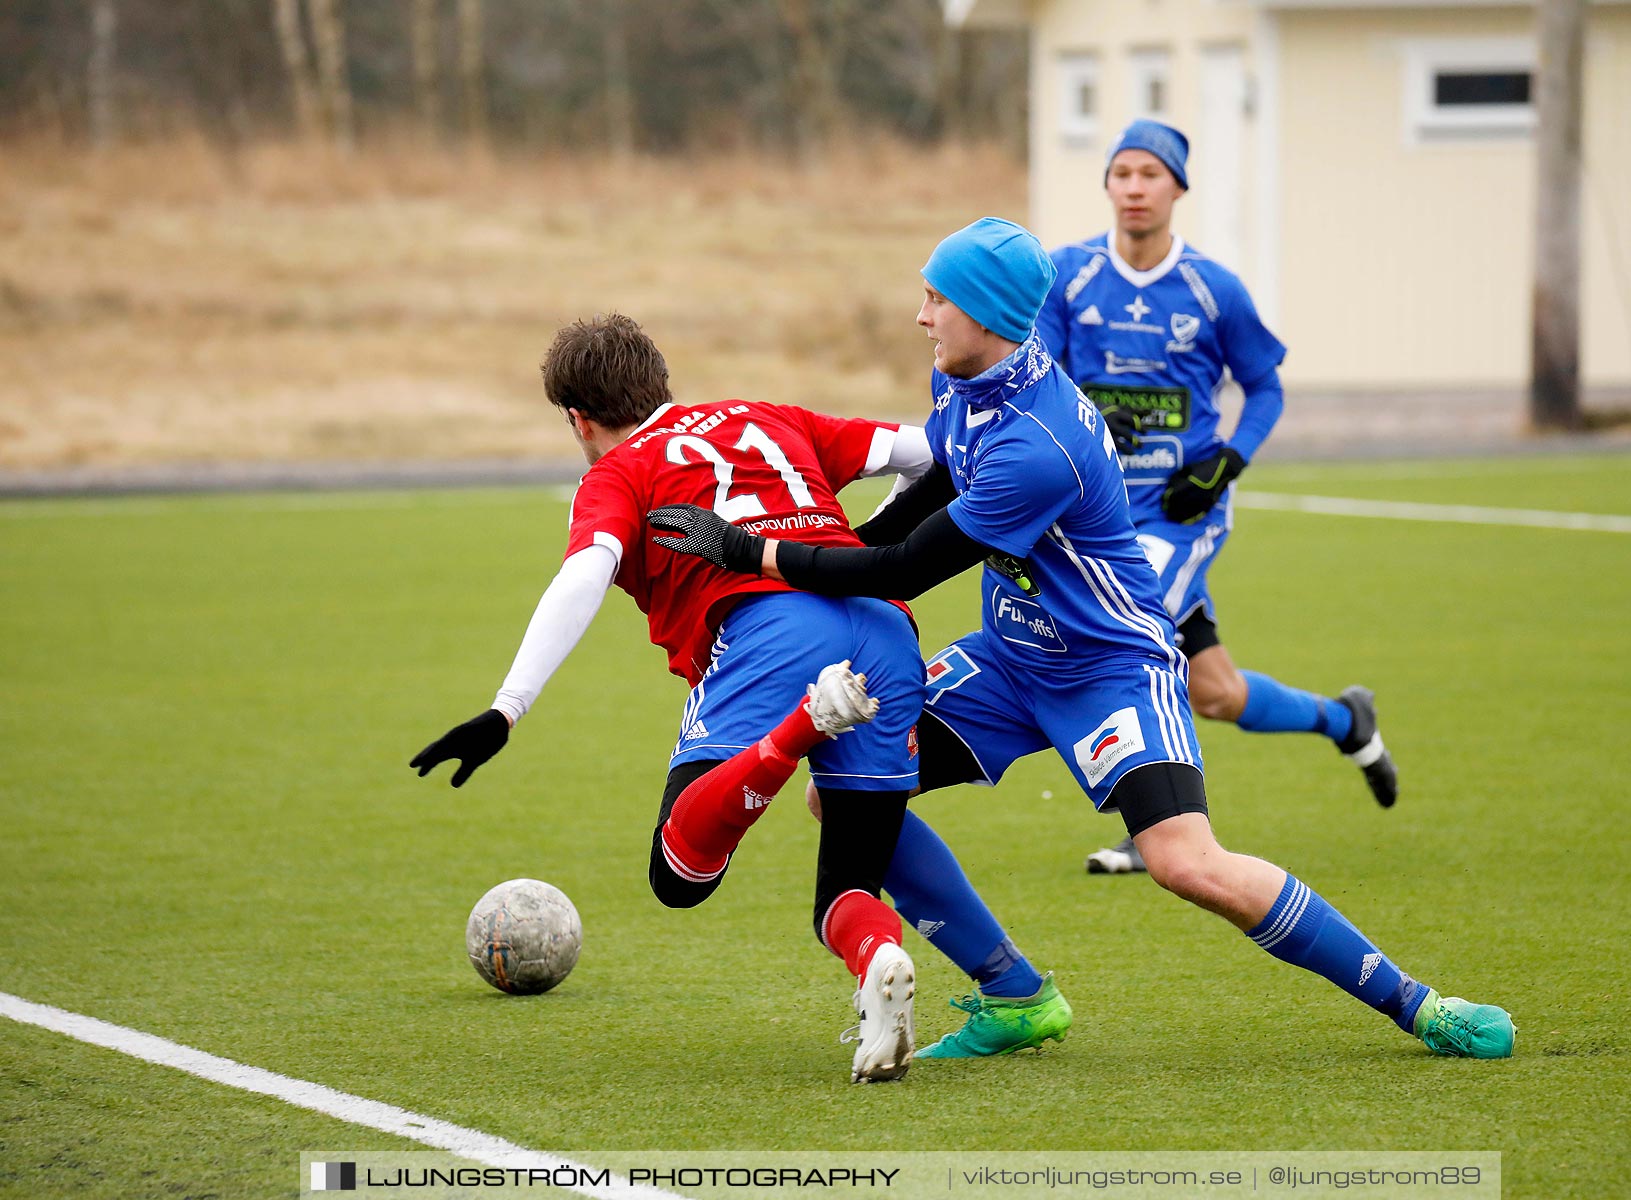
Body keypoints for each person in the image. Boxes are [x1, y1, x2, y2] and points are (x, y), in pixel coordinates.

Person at [650, 218, 1515, 1060]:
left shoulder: (1039, 444)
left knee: (1185, 862)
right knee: (848, 795)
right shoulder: (964, 383)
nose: (920, 317)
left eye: (934, 300)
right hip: (1010, 660)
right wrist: (833, 542)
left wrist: (748, 550)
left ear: (984, 315)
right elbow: (934, 488)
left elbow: (905, 569)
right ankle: (1018, 995)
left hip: (1110, 671)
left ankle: (1417, 1003)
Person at [409, 313, 937, 1082]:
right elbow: (928, 453)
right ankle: (878, 958)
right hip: (885, 631)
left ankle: (803, 726)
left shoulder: (617, 471)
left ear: (577, 419)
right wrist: (857, 552)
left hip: (773, 634)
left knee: (679, 873)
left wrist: (508, 706)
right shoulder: (771, 416)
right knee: (851, 879)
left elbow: (584, 572)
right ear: (661, 384)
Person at [1034, 120, 1398, 875]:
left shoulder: (1213, 288)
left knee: (1128, 638)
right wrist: (1084, 415)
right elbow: (1038, 374)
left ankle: (1156, 823)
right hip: (1091, 514)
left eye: (1150, 175)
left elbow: (1264, 384)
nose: (1134, 187)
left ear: (1177, 189)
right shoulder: (1066, 277)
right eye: (1122, 173)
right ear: (1107, 185)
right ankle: (1344, 719)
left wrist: (1227, 461)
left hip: (1177, 514)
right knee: (1217, 693)